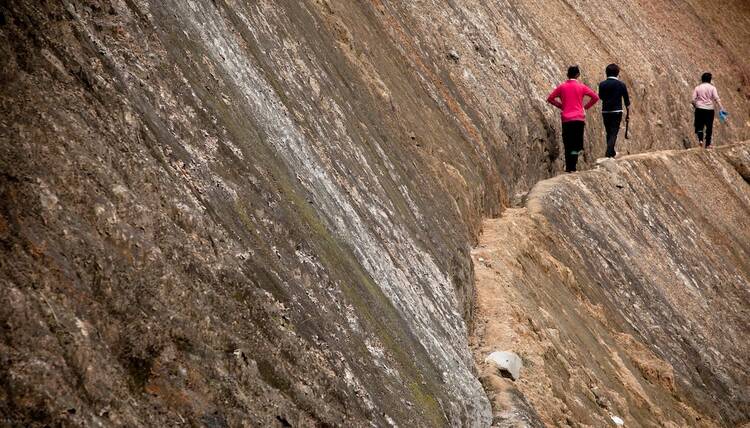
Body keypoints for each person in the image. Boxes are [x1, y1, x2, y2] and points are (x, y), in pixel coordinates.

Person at [547, 65, 600, 172]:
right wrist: (585, 108)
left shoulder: (562, 87)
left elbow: (550, 98)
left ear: (567, 74)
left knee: (568, 143)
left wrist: (562, 106)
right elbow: (595, 97)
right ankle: (573, 166)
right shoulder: (582, 87)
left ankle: (569, 167)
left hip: (566, 119)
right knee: (576, 144)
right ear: (578, 75)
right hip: (579, 119)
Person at [598, 64, 631, 158]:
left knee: (608, 131)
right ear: (617, 73)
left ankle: (611, 152)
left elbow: (601, 97)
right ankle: (608, 153)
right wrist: (628, 113)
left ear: (606, 73)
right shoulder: (621, 84)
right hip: (617, 111)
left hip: (605, 111)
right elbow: (626, 101)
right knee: (614, 132)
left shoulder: (602, 84)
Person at [691, 72, 725, 149]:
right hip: (709, 109)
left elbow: (693, 100)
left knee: (699, 125)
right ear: (710, 80)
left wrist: (696, 106)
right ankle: (708, 144)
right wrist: (721, 108)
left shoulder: (697, 88)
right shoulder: (712, 88)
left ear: (702, 79)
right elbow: (716, 98)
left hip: (699, 108)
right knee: (709, 126)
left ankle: (700, 140)